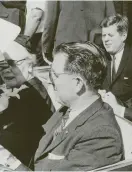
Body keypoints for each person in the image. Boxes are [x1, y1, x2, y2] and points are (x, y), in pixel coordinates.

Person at [0, 42, 124, 171]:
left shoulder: (101, 136)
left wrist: (9, 160)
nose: (50, 80)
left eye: (55, 75)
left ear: (77, 83)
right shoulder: (68, 110)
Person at [0, 38, 53, 168]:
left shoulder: (31, 95)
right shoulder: (28, 88)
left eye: (11, 64)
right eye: (1, 65)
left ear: (29, 64)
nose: (5, 70)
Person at [42, 1, 116, 61]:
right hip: (95, 47)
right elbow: (112, 19)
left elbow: (50, 21)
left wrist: (46, 48)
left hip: (67, 47)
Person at [101, 14, 132, 103]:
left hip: (127, 113)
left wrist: (120, 108)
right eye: (103, 35)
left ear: (123, 35)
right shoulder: (100, 58)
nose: (106, 39)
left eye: (110, 35)